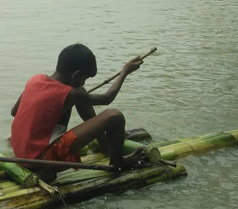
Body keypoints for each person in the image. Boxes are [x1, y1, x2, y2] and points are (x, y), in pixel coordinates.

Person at [10, 44, 145, 181]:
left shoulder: (35, 79)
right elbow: (107, 98)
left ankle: (106, 148)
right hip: (42, 159)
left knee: (80, 95)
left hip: (21, 153)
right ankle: (118, 163)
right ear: (77, 75)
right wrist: (125, 72)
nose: (84, 82)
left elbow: (14, 112)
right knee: (114, 116)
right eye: (85, 78)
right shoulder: (71, 94)